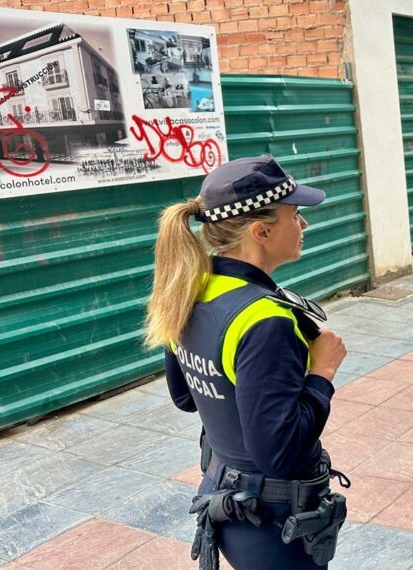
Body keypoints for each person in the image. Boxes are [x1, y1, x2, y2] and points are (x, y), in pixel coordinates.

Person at [144, 155, 349, 569]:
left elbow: (186, 396)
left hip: (227, 498)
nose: (304, 226)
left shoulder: (193, 287)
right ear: (261, 230)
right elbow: (279, 451)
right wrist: (322, 373)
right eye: (295, 216)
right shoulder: (265, 320)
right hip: (271, 523)